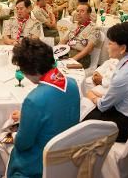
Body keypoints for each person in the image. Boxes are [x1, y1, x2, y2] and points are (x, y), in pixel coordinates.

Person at [5, 38, 80, 178]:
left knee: (3, 138)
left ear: (30, 71)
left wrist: (13, 134)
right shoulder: (72, 83)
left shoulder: (33, 100)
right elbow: (57, 111)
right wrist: (27, 117)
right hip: (69, 152)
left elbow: (23, 144)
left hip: (41, 162)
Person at [84, 22, 128, 142]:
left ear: (123, 48)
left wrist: (90, 95)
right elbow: (119, 94)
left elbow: (102, 106)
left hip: (123, 125)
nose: (107, 47)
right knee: (88, 102)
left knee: (79, 110)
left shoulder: (123, 75)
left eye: (110, 43)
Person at [60, 3, 100, 68]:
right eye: (77, 11)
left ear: (88, 14)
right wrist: (56, 51)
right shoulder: (74, 25)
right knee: (50, 58)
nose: (78, 13)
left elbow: (88, 49)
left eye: (82, 11)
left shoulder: (94, 28)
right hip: (68, 51)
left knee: (62, 66)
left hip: (82, 57)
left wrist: (73, 59)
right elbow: (64, 40)